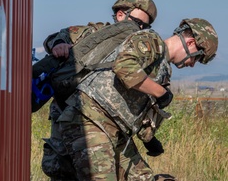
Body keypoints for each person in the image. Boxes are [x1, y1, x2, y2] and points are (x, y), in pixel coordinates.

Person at [48, 18, 218, 180]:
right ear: (190, 43)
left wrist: (150, 140)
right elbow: (123, 67)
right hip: (89, 119)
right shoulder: (151, 40)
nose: (192, 64)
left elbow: (140, 109)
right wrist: (161, 93)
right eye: (197, 57)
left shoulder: (163, 70)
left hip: (116, 129)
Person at [41, 0, 159, 180]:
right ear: (121, 15)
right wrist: (59, 44)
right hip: (69, 118)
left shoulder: (136, 52)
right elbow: (55, 38)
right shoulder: (95, 33)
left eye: (145, 27)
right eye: (137, 23)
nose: (140, 30)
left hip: (108, 128)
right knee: (66, 170)